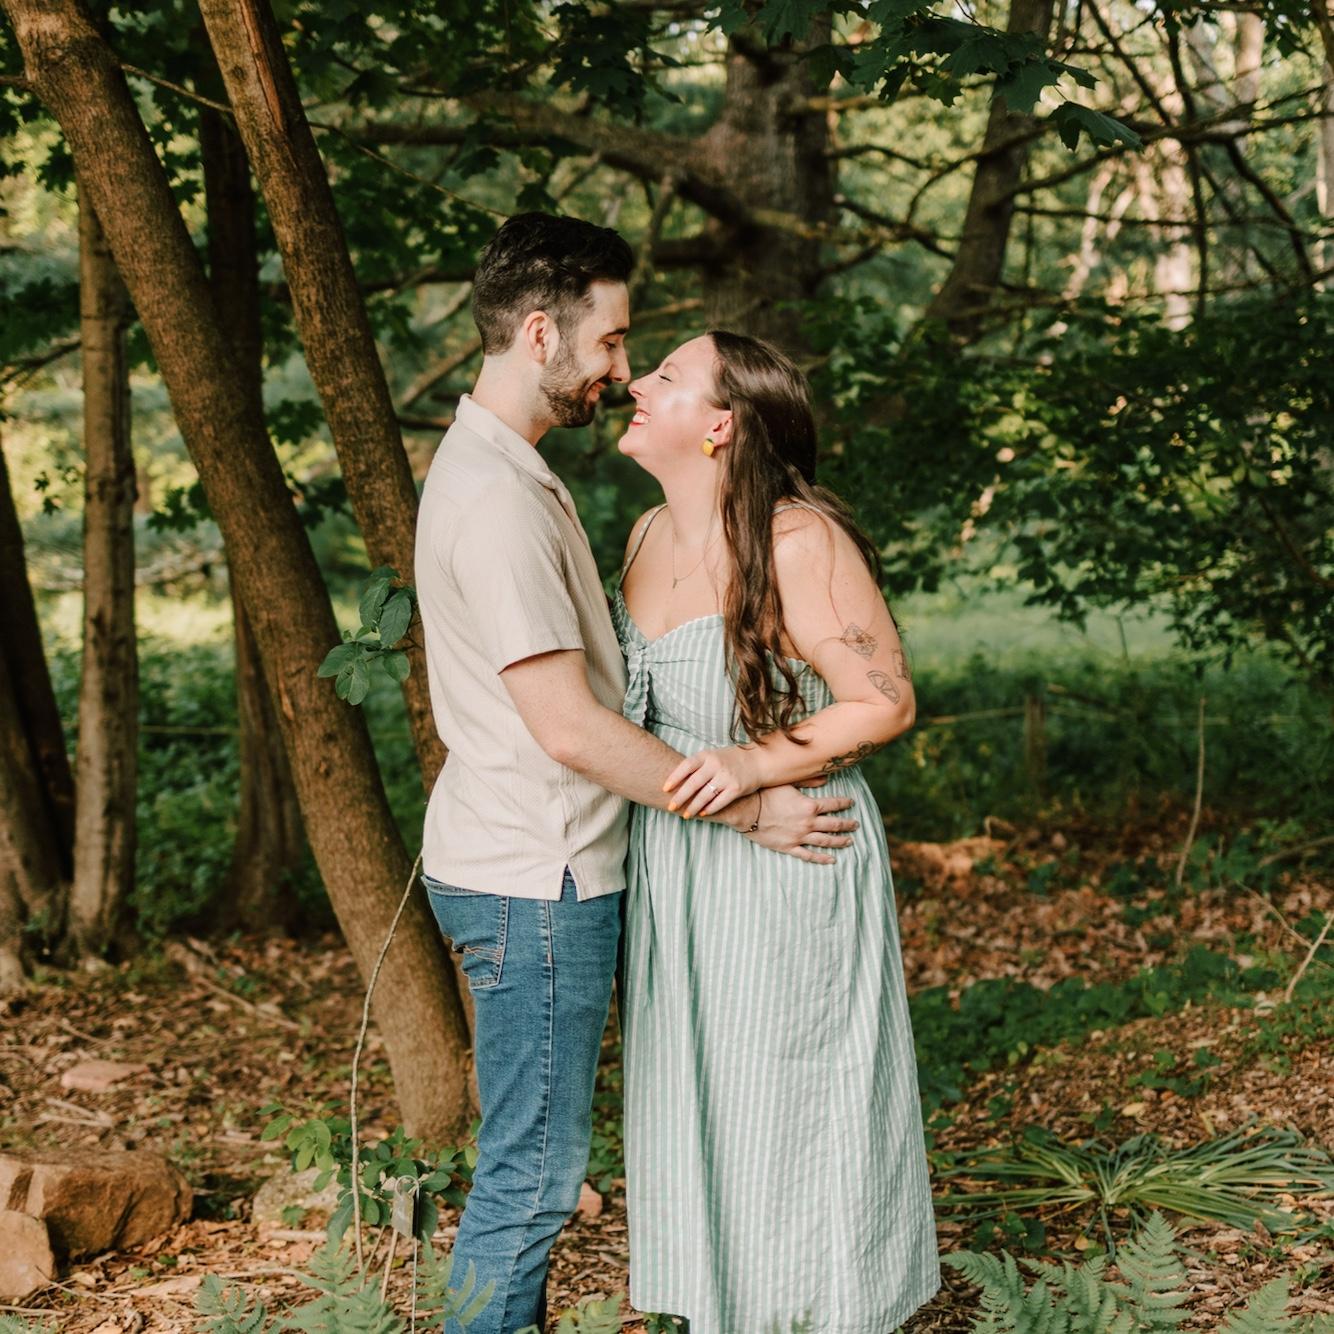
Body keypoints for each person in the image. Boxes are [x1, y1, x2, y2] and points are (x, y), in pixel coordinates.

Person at [412, 213, 862, 1334]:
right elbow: (569, 725)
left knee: (532, 1163)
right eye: (611, 344)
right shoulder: (498, 500)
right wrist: (749, 802)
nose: (619, 372)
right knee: (532, 1175)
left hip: (532, 863)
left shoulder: (509, 470)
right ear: (537, 333)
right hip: (536, 875)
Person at [612, 330, 941, 1332]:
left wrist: (754, 765)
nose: (633, 380)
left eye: (662, 376)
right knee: (700, 1107)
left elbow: (881, 700)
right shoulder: (640, 537)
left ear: (719, 425)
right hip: (678, 865)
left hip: (792, 861)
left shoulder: (797, 541)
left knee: (790, 1112)